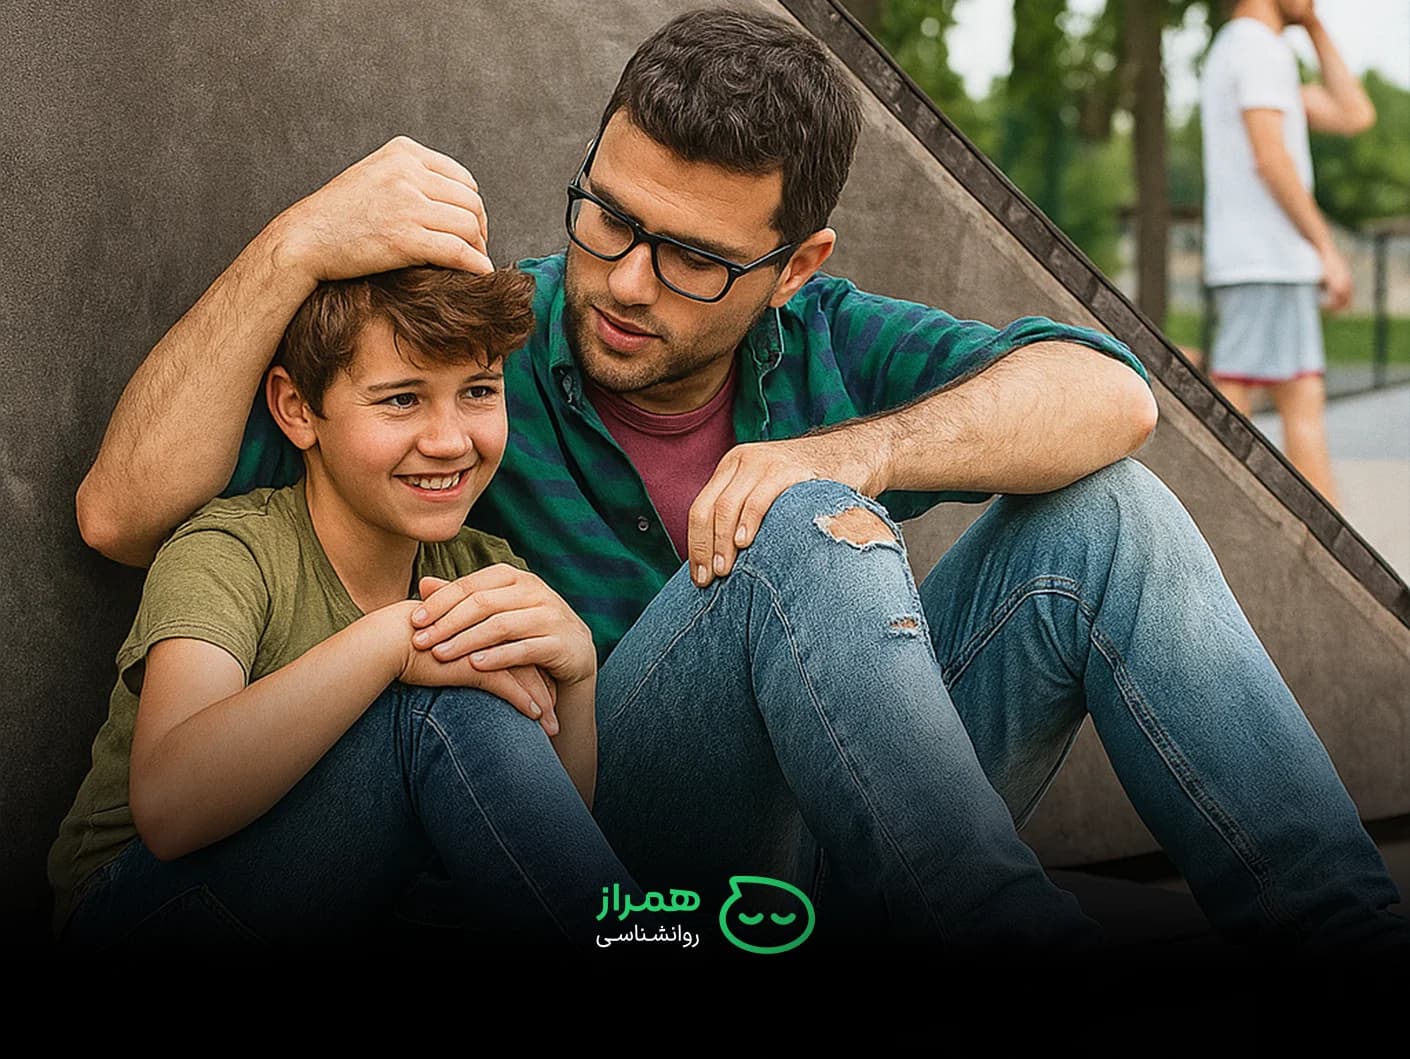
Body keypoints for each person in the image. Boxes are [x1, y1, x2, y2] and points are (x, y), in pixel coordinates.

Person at [75, 8, 1406, 952]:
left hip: (848, 823)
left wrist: (851, 452)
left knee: (1101, 510)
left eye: (694, 257)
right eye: (606, 216)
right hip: (616, 862)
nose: (624, 281)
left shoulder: (832, 340)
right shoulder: (473, 363)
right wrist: (299, 242)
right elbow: (123, 511)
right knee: (805, 532)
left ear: (797, 263)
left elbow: (1111, 396)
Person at [49, 266, 643, 953]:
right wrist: (395, 639)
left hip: (351, 908)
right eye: (401, 400)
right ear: (298, 409)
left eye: (478, 391)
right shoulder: (232, 551)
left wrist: (577, 678)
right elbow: (170, 807)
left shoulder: (486, 569)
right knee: (441, 704)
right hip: (143, 909)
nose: (450, 439)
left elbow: (527, 847)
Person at [1202, 0, 1377, 505]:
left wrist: (1315, 25)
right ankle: (1327, 568)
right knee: (1284, 403)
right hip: (1269, 261)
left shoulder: (1242, 48)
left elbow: (1354, 113)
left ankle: (1275, 540)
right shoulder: (1257, 49)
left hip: (1259, 262)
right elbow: (1272, 158)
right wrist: (1327, 247)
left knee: (1272, 397)